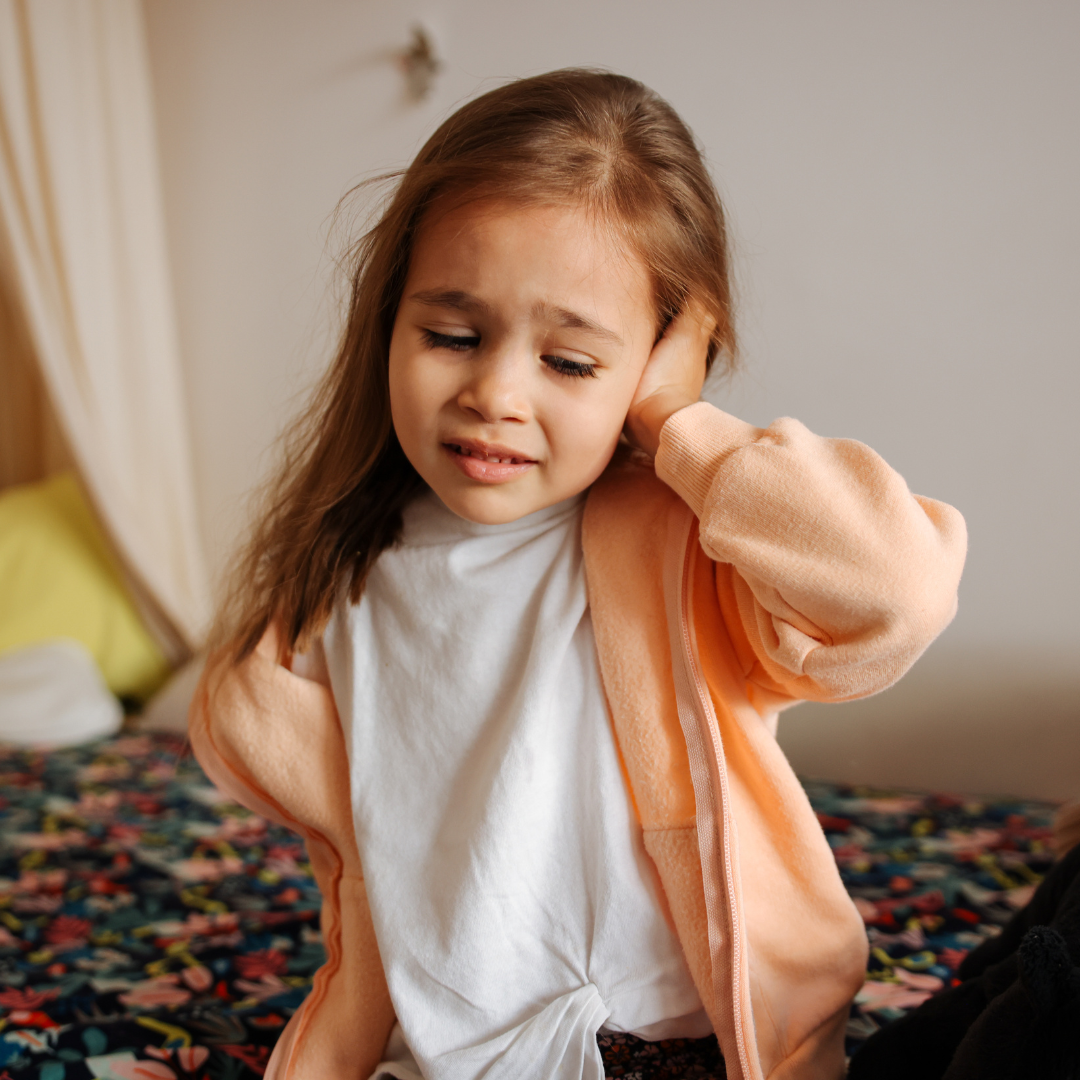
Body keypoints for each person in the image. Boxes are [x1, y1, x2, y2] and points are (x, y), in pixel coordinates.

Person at [189, 69, 967, 1080]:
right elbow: (368, 882)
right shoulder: (347, 574)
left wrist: (676, 424)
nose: (495, 393)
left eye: (570, 362)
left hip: (677, 1047)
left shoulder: (688, 546)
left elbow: (894, 591)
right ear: (388, 320)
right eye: (452, 336)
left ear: (660, 355)